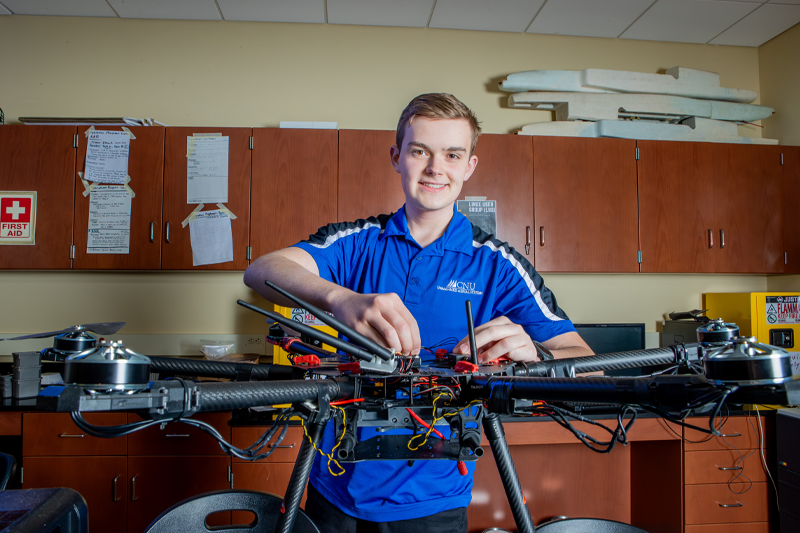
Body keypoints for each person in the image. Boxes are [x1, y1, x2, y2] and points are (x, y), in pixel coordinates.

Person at [244, 93, 592, 532]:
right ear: (396, 157)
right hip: (333, 489)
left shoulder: (497, 265)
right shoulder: (356, 242)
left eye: (452, 154)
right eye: (419, 151)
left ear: (469, 166)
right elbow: (261, 270)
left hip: (434, 502)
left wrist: (537, 355)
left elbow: (587, 365)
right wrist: (342, 299)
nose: (435, 168)